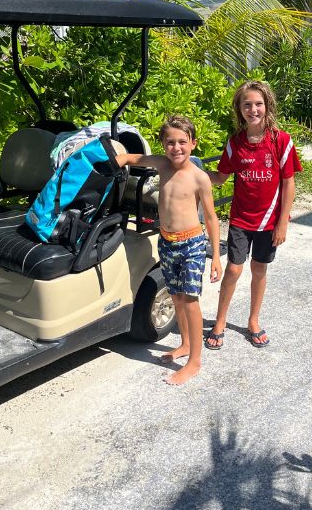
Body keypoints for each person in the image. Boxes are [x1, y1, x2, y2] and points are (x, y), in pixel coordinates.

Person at [115, 115, 222, 385]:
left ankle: (194, 362)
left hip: (192, 244)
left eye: (182, 142)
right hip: (167, 242)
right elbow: (134, 158)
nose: (176, 148)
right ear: (163, 144)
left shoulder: (199, 178)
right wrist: (120, 159)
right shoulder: (162, 164)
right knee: (175, 298)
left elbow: (211, 218)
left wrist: (216, 256)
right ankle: (185, 344)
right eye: (170, 142)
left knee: (190, 301)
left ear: (193, 144)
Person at [205, 80, 302, 349]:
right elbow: (221, 177)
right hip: (240, 219)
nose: (253, 109)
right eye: (247, 104)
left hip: (270, 221)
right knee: (234, 269)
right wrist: (190, 169)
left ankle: (253, 320)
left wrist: (283, 222)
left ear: (267, 106)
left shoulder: (281, 141)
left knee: (259, 269)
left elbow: (289, 182)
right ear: (240, 109)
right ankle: (220, 321)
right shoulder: (235, 143)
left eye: (258, 103)